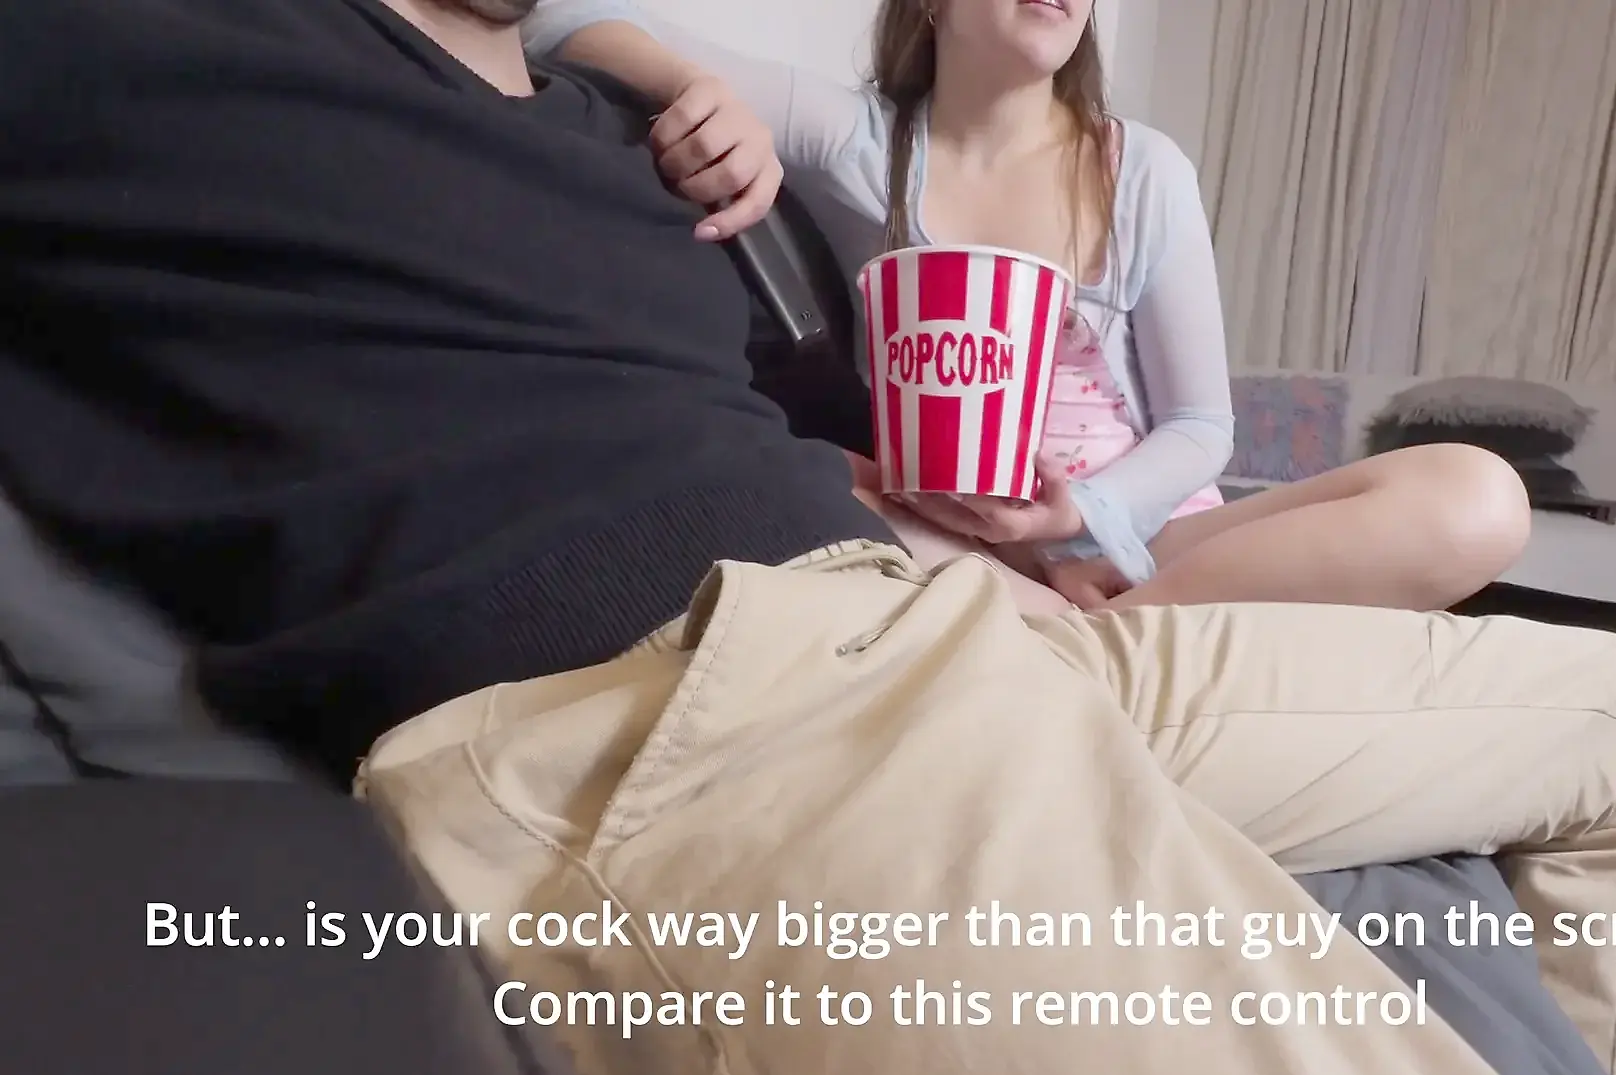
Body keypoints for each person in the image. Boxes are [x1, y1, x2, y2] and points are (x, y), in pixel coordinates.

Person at [0, 1, 1616, 1075]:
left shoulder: (645, 151)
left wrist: (643, 70)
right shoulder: (151, 46)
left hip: (960, 627)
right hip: (703, 729)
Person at [521, 0, 1533, 614]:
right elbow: (554, 21)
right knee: (780, 472)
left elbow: (1200, 427)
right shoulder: (859, 142)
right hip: (963, 540)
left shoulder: (1142, 171)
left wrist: (1081, 517)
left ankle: (1122, 632)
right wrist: (700, 94)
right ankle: (1077, 627)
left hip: (1156, 547)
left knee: (1479, 496)